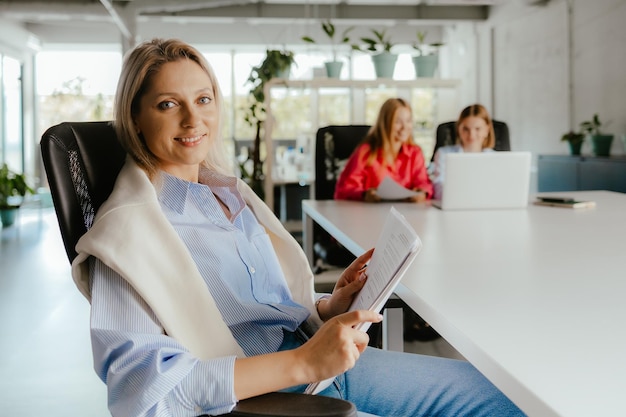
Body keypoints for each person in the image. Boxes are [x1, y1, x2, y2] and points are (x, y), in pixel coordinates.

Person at [71, 38, 524, 417]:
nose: (193, 120)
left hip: (324, 362)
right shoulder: (126, 235)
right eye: (168, 104)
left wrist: (325, 309)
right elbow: (144, 394)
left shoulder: (228, 193)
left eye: (203, 99)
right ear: (134, 118)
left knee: (509, 399)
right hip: (279, 396)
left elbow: (258, 310)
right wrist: (302, 362)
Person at [333, 98, 433, 203]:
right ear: (385, 123)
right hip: (369, 213)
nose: (405, 127)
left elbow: (423, 183)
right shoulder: (366, 152)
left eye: (408, 121)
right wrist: (364, 194)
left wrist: (422, 193)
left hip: (406, 213)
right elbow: (344, 190)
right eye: (398, 122)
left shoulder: (415, 152)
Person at [430, 103, 496, 200]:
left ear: (487, 130)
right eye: (466, 129)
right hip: (455, 204)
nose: (471, 135)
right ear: (458, 129)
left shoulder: (496, 158)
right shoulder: (444, 154)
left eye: (477, 129)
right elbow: (438, 188)